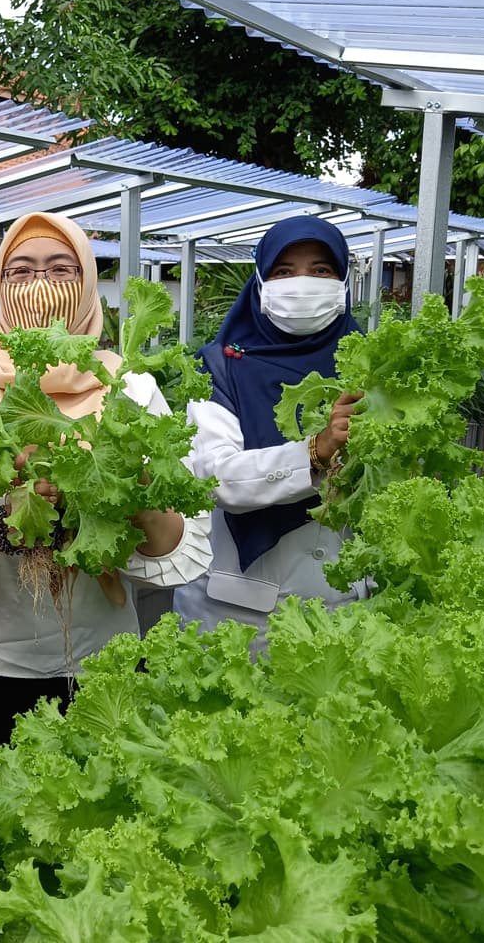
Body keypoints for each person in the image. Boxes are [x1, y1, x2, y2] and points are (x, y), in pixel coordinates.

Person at [0, 211, 212, 752]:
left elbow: (177, 542)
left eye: (61, 268)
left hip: (102, 663)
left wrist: (120, 491)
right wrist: (9, 527)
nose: (40, 286)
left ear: (89, 282)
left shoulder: (130, 386)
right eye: (20, 272)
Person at [173, 215, 367, 649]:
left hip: (344, 605)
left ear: (344, 281)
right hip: (237, 617)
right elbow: (214, 477)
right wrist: (315, 451)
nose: (303, 284)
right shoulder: (220, 365)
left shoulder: (370, 363)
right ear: (260, 282)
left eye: (321, 270)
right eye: (284, 271)